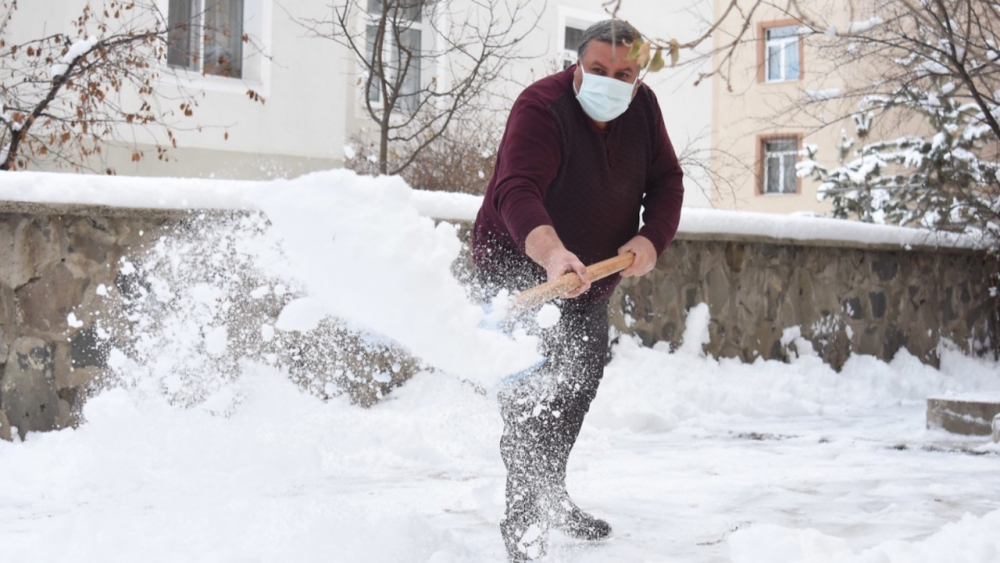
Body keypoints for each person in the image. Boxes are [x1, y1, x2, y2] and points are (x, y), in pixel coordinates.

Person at [471, 19, 685, 562]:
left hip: (592, 272)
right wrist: (550, 255)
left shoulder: (643, 109)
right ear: (577, 65)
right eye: (598, 70)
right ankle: (524, 528)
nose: (611, 81)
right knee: (534, 397)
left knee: (578, 383)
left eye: (624, 72)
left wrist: (650, 236)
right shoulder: (541, 108)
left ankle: (551, 492)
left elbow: (667, 182)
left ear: (638, 77)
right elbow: (516, 189)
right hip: (520, 264)